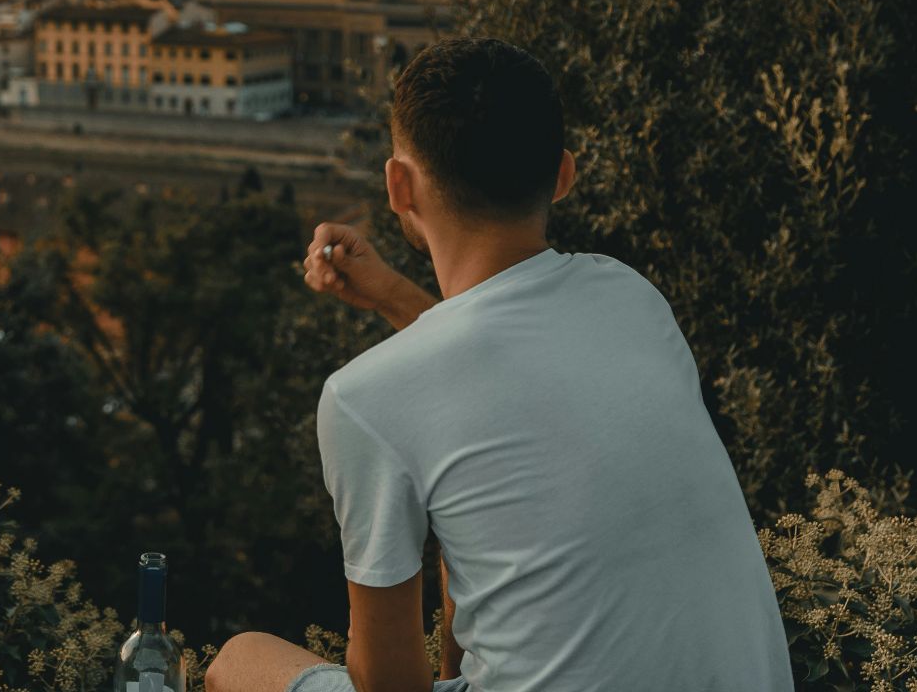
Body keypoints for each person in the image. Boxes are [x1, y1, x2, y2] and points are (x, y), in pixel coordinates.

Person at [205, 38, 793, 692]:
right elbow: (504, 398)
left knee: (239, 661)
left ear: (398, 185)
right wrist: (399, 299)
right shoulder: (631, 297)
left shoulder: (363, 398)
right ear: (564, 174)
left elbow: (389, 687)